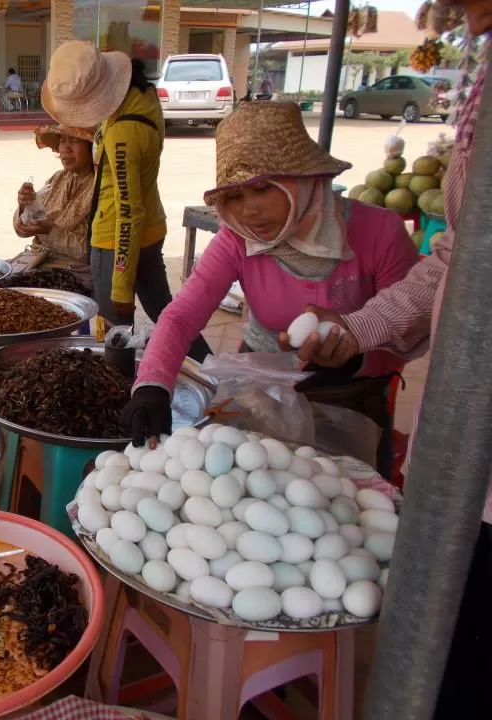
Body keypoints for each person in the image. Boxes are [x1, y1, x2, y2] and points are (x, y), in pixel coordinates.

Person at [288, 3, 489, 714]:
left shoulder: (370, 229)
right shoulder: (483, 94)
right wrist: (358, 327)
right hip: (461, 437)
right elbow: (458, 264)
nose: (457, 12)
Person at [120, 101, 420, 478]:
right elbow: (182, 314)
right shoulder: (237, 240)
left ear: (304, 179)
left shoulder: (380, 232)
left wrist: (355, 357)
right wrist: (152, 382)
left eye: (262, 189)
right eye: (234, 197)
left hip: (350, 398)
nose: (249, 211)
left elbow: (410, 325)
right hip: (264, 393)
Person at [41, 44, 182, 327]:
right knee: (167, 317)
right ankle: (208, 367)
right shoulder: (142, 98)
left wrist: (120, 285)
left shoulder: (123, 133)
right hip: (150, 230)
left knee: (112, 329)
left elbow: (129, 212)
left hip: (117, 240)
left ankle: (119, 369)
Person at [10, 125, 96, 286]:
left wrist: (51, 231)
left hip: (74, 272)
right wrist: (25, 207)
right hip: (38, 261)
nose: (66, 148)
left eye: (75, 141)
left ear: (92, 148)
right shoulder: (58, 178)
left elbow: (94, 252)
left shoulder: (101, 187)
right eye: (63, 141)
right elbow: (22, 230)